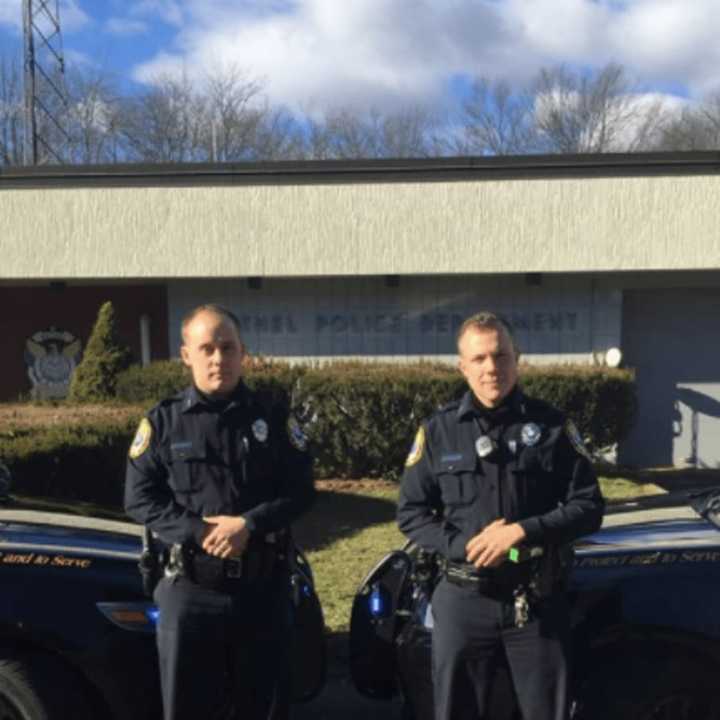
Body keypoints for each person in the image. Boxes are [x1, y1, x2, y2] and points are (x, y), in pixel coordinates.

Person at [397, 311, 604, 720]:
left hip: (536, 600)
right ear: (462, 366)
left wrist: (522, 533)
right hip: (463, 600)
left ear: (517, 358)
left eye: (501, 355)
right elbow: (412, 513)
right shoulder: (438, 432)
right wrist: (466, 546)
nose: (492, 368)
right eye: (479, 359)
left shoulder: (552, 428)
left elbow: (590, 507)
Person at [125, 304, 314, 720]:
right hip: (191, 592)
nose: (218, 359)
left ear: (242, 352)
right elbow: (139, 498)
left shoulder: (274, 415)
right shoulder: (163, 422)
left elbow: (302, 492)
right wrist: (199, 530)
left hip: (262, 590)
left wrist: (251, 524)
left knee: (263, 708)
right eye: (207, 348)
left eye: (227, 348)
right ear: (186, 354)